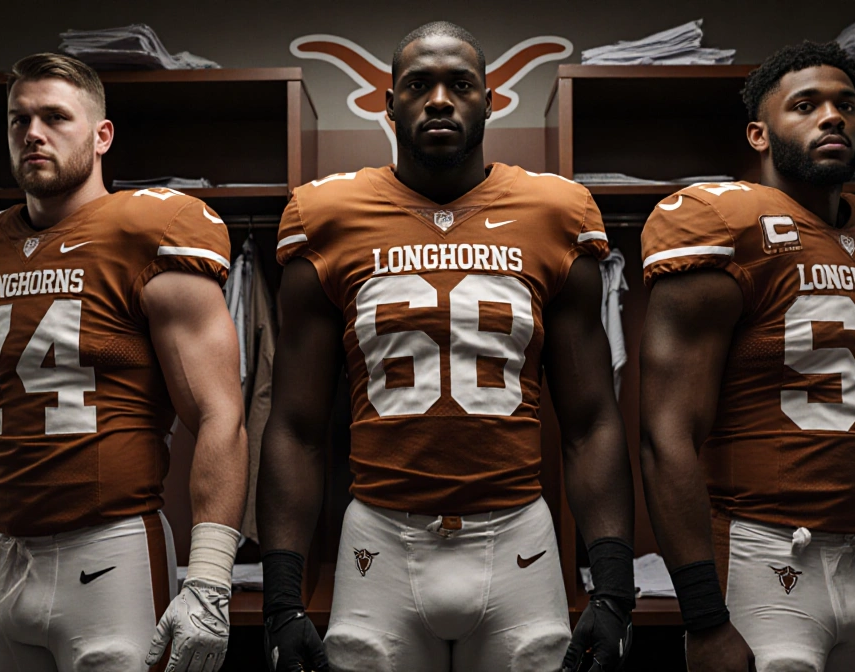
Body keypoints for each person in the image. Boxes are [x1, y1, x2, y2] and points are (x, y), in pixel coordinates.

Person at [257, 20, 636, 672]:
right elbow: (295, 425)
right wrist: (281, 599)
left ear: (490, 100)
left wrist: (614, 586)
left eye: (459, 84)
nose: (438, 99)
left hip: (517, 532)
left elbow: (592, 420)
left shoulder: (556, 212)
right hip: (379, 532)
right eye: (418, 84)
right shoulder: (327, 216)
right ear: (390, 102)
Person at [0, 53, 248, 672]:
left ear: (102, 134)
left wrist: (211, 576)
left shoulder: (151, 229)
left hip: (108, 553)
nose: (33, 133)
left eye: (56, 117)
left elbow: (220, 415)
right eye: (18, 119)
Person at [639, 41, 855, 672]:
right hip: (764, 554)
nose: (832, 117)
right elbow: (665, 432)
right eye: (805, 105)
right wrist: (703, 616)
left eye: (846, 105)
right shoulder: (720, 221)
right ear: (759, 133)